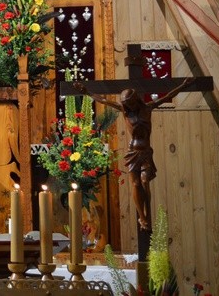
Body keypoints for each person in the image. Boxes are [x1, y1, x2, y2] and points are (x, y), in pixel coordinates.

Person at [74, 78, 194, 230]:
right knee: (136, 184)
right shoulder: (125, 112)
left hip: (145, 151)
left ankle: (147, 212)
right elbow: (103, 101)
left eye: (129, 102)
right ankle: (142, 218)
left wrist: (183, 86)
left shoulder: (147, 108)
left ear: (135, 100)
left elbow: (167, 96)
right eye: (125, 103)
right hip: (133, 152)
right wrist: (87, 92)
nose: (127, 105)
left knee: (145, 181)